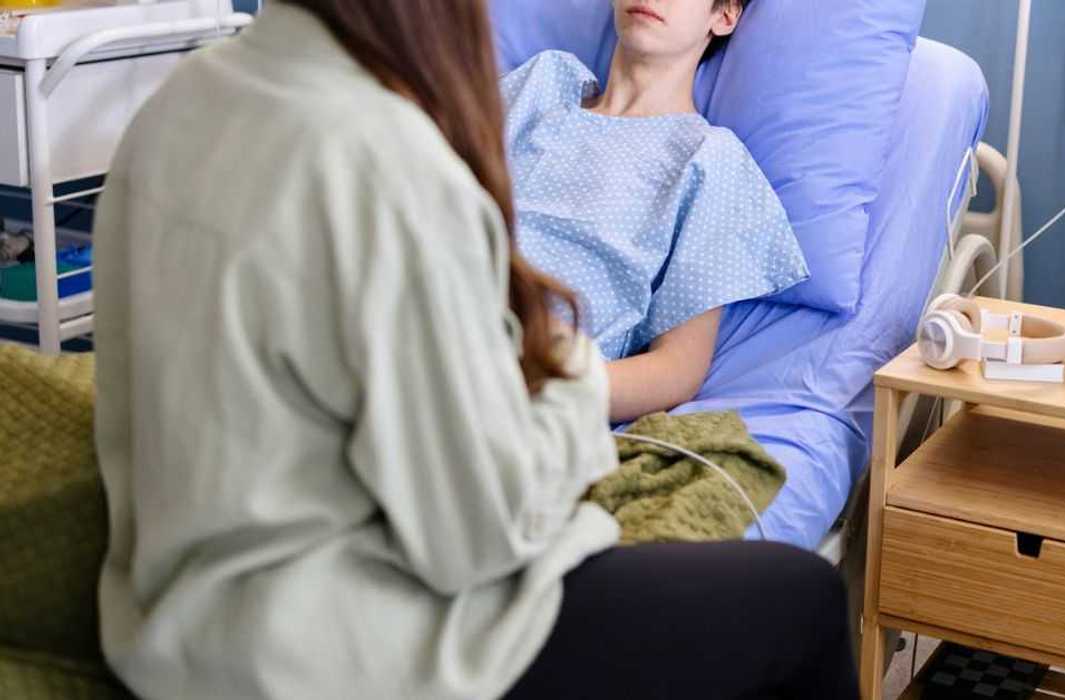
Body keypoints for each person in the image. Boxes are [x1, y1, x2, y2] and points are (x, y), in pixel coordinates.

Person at [92, 1, 858, 698]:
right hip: (318, 642)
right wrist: (541, 400)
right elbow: (476, 535)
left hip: (166, 619)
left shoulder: (181, 97)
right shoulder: (461, 128)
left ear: (724, 17)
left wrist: (548, 372)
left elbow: (676, 365)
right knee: (807, 598)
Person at [503, 0, 808, 423]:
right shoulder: (545, 84)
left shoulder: (710, 160)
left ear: (724, 16)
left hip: (524, 380)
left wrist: (551, 385)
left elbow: (677, 369)